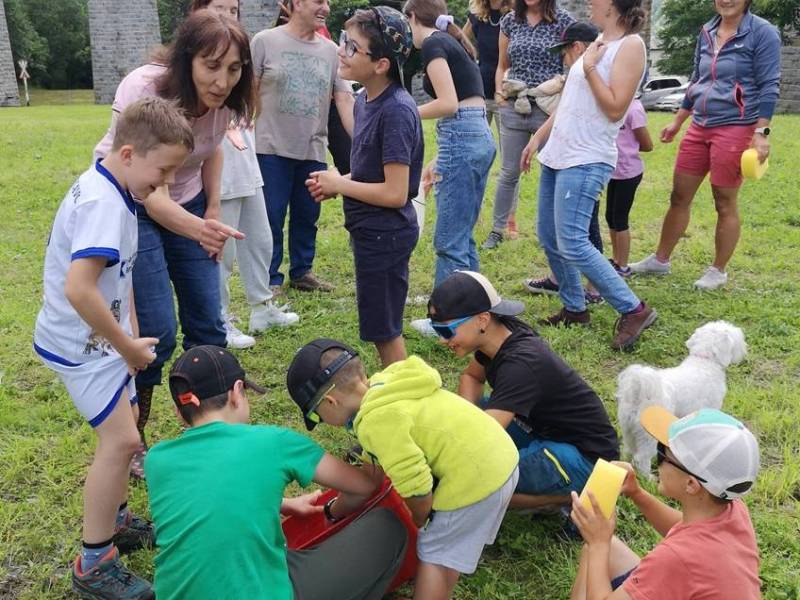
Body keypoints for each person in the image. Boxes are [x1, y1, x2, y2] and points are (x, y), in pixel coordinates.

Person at [34, 98, 195, 599]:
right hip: (83, 347)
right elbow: (79, 290)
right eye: (162, 170)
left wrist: (128, 333)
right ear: (128, 152)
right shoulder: (104, 204)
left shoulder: (117, 187)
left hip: (102, 342)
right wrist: (125, 345)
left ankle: (118, 521)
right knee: (123, 443)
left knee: (126, 424)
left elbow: (113, 280)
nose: (165, 181)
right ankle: (94, 562)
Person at [94, 10, 255, 478]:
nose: (222, 81)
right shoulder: (145, 88)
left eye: (234, 68)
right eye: (211, 66)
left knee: (208, 321)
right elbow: (151, 193)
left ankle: (212, 432)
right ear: (186, 61)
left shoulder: (227, 100)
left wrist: (212, 210)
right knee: (156, 332)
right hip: (131, 203)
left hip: (187, 203)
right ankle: (135, 438)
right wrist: (198, 227)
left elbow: (214, 147)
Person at [145, 345, 407, 599]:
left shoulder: (157, 460)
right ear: (237, 392)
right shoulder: (275, 443)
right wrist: (331, 511)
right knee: (387, 527)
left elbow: (207, 494)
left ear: (179, 413)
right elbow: (364, 486)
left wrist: (281, 503)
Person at [287, 339, 520, 599]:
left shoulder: (377, 421)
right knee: (448, 550)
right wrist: (332, 512)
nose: (324, 424)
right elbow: (371, 475)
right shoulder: (389, 385)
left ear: (330, 402)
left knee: (432, 552)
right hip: (502, 457)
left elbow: (417, 485)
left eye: (317, 417)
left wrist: (420, 519)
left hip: (475, 477)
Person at [521, 0, 657, 351]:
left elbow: (615, 109)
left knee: (573, 241)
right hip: (559, 154)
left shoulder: (631, 46)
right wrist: (537, 138)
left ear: (613, 5)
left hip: (586, 157)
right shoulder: (596, 42)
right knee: (549, 236)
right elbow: (570, 102)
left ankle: (634, 309)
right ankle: (574, 307)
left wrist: (593, 69)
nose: (589, 3)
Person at [427, 271, 619, 511]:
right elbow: (472, 376)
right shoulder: (498, 337)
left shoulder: (521, 364)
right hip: (543, 430)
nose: (442, 340)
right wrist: (466, 416)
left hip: (586, 459)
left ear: (482, 320)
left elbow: (479, 437)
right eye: (436, 330)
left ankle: (580, 497)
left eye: (446, 331)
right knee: (476, 415)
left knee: (473, 485)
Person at [629, 0, 781, 290]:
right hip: (700, 125)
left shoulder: (763, 33)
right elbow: (698, 79)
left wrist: (761, 132)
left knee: (724, 201)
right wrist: (677, 122)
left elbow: (769, 84)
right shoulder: (707, 30)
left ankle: (717, 270)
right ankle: (660, 260)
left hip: (737, 126)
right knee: (679, 195)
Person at [305, 7, 423, 368]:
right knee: (378, 326)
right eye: (343, 41)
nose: (342, 50)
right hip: (370, 231)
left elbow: (394, 193)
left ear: (381, 64)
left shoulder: (397, 110)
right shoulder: (364, 99)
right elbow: (369, 169)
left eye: (353, 47)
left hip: (386, 235)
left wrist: (341, 182)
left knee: (385, 331)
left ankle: (401, 396)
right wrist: (338, 186)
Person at [191, 0, 299, 350]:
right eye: (220, 8)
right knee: (222, 250)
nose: (228, 17)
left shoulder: (240, 62)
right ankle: (220, 317)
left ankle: (261, 305)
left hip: (246, 160)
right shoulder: (198, 64)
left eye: (234, 10)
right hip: (219, 169)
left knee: (261, 238)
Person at [569, 406, 761, 600]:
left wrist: (598, 543)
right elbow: (682, 527)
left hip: (677, 570)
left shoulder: (675, 559)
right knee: (602, 552)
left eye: (662, 453)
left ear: (691, 484)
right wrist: (637, 493)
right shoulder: (733, 509)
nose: (655, 460)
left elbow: (680, 557)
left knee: (598, 551)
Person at [403, 0, 496, 337]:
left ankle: (445, 321)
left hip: (463, 134)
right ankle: (477, 306)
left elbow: (447, 103)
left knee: (449, 240)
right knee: (462, 236)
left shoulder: (432, 43)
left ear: (411, 17)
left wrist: (406, 110)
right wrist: (441, 157)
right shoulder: (449, 40)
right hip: (475, 135)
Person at [251, 0, 355, 293]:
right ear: (296, 3)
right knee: (271, 214)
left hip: (312, 148)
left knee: (307, 214)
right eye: (319, 1)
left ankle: (302, 271)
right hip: (269, 147)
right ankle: (271, 278)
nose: (327, 7)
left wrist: (362, 140)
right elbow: (249, 92)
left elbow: (344, 99)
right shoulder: (264, 42)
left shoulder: (331, 51)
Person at [519, 21, 604, 303]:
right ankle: (569, 289)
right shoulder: (576, 77)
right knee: (562, 232)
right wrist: (537, 139)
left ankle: (597, 289)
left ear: (578, 47)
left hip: (584, 162)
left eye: (565, 52)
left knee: (583, 233)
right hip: (564, 158)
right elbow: (562, 111)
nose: (563, 59)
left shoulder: (597, 75)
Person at [482, 0, 575, 250]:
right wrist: (499, 93)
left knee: (554, 170)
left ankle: (556, 233)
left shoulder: (563, 21)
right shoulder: (510, 21)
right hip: (515, 105)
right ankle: (497, 230)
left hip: (548, 107)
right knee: (508, 172)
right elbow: (503, 65)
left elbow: (575, 64)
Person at [462, 0, 518, 241]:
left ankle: (509, 220)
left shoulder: (516, 16)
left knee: (509, 163)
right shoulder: (476, 16)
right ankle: (472, 214)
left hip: (507, 94)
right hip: (479, 93)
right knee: (475, 154)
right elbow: (459, 42)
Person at [607, 96, 652, 276]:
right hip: (612, 171)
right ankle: (616, 259)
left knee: (620, 218)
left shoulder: (634, 109)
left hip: (629, 173)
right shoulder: (612, 104)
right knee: (610, 216)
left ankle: (623, 266)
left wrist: (628, 148)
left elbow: (647, 145)